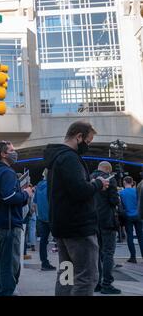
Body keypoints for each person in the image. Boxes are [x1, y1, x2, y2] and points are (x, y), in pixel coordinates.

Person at [44, 121, 109, 296]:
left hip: (62, 227)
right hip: (79, 229)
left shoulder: (56, 158)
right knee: (86, 277)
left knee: (67, 275)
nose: (88, 146)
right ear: (78, 137)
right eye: (87, 142)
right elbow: (80, 190)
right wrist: (97, 183)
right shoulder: (70, 158)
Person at [0, 141, 33, 296]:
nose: (15, 153)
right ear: (3, 154)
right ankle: (6, 292)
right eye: (12, 150)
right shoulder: (7, 172)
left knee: (0, 262)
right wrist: (26, 193)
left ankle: (3, 291)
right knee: (10, 265)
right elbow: (9, 197)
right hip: (9, 224)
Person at [90, 161, 121, 294]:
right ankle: (107, 284)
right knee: (108, 253)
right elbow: (114, 200)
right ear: (108, 170)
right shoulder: (110, 179)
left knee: (96, 253)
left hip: (93, 221)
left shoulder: (90, 178)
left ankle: (96, 283)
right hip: (108, 220)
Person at [33, 169, 56, 271]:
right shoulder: (53, 185)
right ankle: (66, 267)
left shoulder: (39, 185)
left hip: (41, 217)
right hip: (53, 217)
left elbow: (35, 203)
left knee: (43, 241)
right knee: (62, 241)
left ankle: (44, 263)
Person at [119, 176, 143, 264]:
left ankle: (133, 257)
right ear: (132, 182)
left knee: (130, 236)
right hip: (138, 215)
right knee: (141, 237)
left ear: (124, 182)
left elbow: (120, 206)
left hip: (128, 216)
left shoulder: (121, 193)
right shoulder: (136, 191)